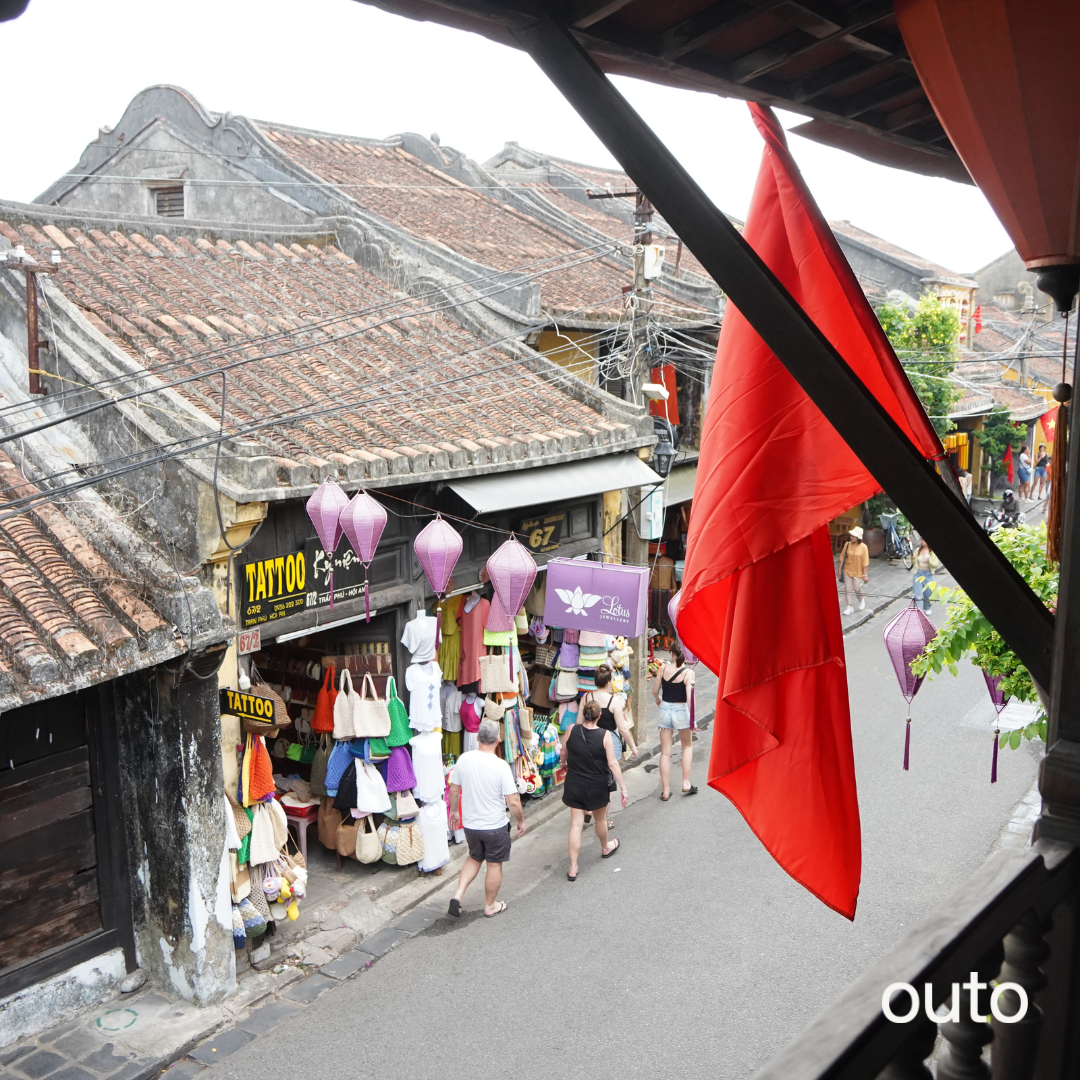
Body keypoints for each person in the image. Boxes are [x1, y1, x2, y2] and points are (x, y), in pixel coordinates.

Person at [447, 718, 526, 918]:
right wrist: (521, 821)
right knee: (493, 864)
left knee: (474, 857)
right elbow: (513, 801)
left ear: (477, 737)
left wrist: (454, 811)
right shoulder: (500, 766)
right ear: (498, 739)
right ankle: (490, 905)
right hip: (495, 826)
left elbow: (454, 788)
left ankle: (457, 895)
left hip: (472, 826)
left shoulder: (464, 759)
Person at [560, 700, 627, 880]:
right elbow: (612, 763)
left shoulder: (571, 729)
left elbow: (564, 753)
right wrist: (623, 787)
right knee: (600, 820)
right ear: (599, 716)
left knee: (576, 824)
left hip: (574, 783)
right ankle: (605, 847)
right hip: (596, 785)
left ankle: (573, 867)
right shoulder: (604, 735)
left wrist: (562, 764)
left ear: (584, 714)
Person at [652, 643, 696, 800]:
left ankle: (665, 791)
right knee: (687, 746)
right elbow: (690, 698)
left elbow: (655, 691)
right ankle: (685, 783)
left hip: (665, 709)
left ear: (671, 653)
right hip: (680, 710)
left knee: (665, 752)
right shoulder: (688, 673)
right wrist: (693, 719)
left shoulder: (663, 668)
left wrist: (658, 700)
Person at [582, 664, 639, 761]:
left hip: (591, 739)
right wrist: (633, 747)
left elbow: (579, 722)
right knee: (612, 771)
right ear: (608, 683)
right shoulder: (614, 701)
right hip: (611, 741)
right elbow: (622, 729)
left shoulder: (586, 697)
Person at [839, 525, 869, 616]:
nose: (851, 537)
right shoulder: (847, 544)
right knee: (847, 589)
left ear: (858, 537)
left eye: (853, 536)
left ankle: (861, 599)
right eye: (851, 535)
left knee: (857, 588)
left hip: (858, 572)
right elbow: (842, 558)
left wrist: (865, 575)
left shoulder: (864, 547)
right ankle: (849, 606)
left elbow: (865, 562)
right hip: (847, 570)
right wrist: (840, 570)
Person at [912, 539, 935, 614]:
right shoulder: (918, 550)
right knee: (917, 594)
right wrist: (912, 559)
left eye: (924, 540)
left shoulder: (931, 552)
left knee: (928, 593)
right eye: (921, 540)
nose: (922, 542)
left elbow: (936, 564)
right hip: (918, 573)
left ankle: (928, 607)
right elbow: (913, 562)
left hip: (928, 574)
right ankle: (918, 610)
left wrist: (929, 561)